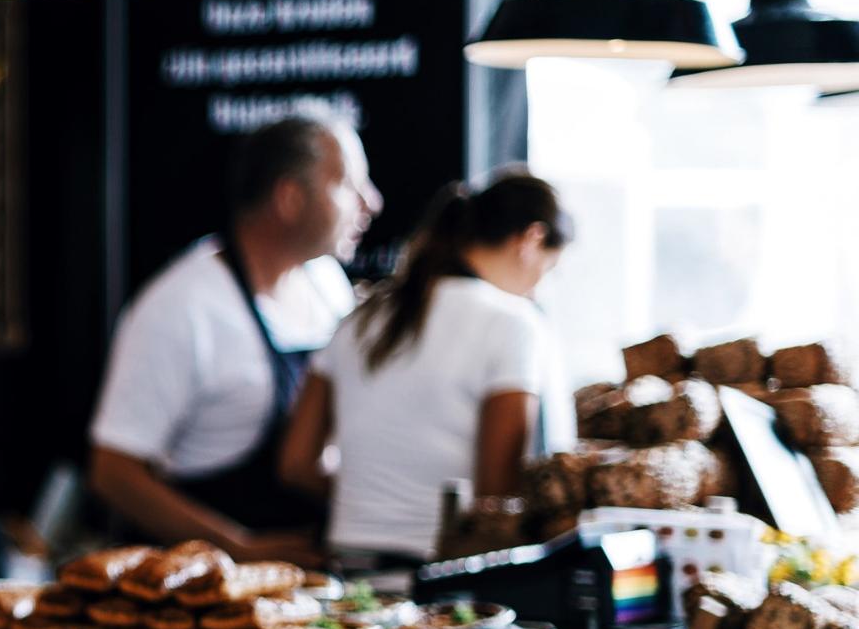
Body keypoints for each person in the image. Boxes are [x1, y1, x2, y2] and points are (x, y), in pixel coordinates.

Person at [89, 111, 383, 564]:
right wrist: (237, 549)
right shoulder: (182, 307)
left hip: (311, 576)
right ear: (289, 198)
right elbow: (113, 473)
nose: (372, 202)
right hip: (202, 589)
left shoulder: (325, 282)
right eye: (348, 184)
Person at [277, 171, 576, 564]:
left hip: (348, 569)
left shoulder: (359, 319)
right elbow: (496, 497)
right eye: (548, 270)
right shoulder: (514, 323)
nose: (539, 287)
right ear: (531, 240)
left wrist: (374, 500)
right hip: (444, 579)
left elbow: (296, 464)